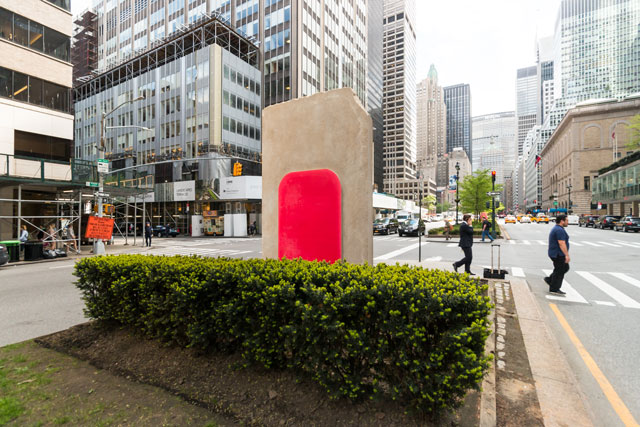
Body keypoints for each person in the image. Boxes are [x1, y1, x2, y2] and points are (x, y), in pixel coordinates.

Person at [545, 214, 570, 295]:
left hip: (556, 253)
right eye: (566, 220)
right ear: (562, 221)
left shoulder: (558, 228)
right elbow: (561, 243)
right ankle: (554, 288)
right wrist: (566, 255)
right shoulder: (559, 230)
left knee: (564, 268)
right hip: (558, 254)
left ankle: (550, 280)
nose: (568, 222)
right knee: (560, 270)